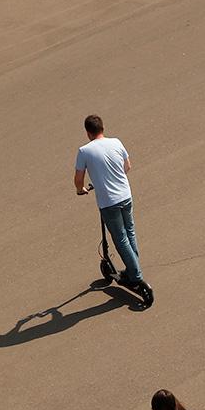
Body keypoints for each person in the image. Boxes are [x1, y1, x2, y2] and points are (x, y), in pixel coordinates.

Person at [73, 115, 149, 292]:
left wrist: (81, 189)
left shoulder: (84, 151)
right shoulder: (116, 142)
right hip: (126, 195)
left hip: (109, 202)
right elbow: (127, 166)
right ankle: (133, 268)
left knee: (120, 238)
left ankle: (135, 275)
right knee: (130, 232)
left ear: (87, 132)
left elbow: (78, 178)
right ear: (102, 128)